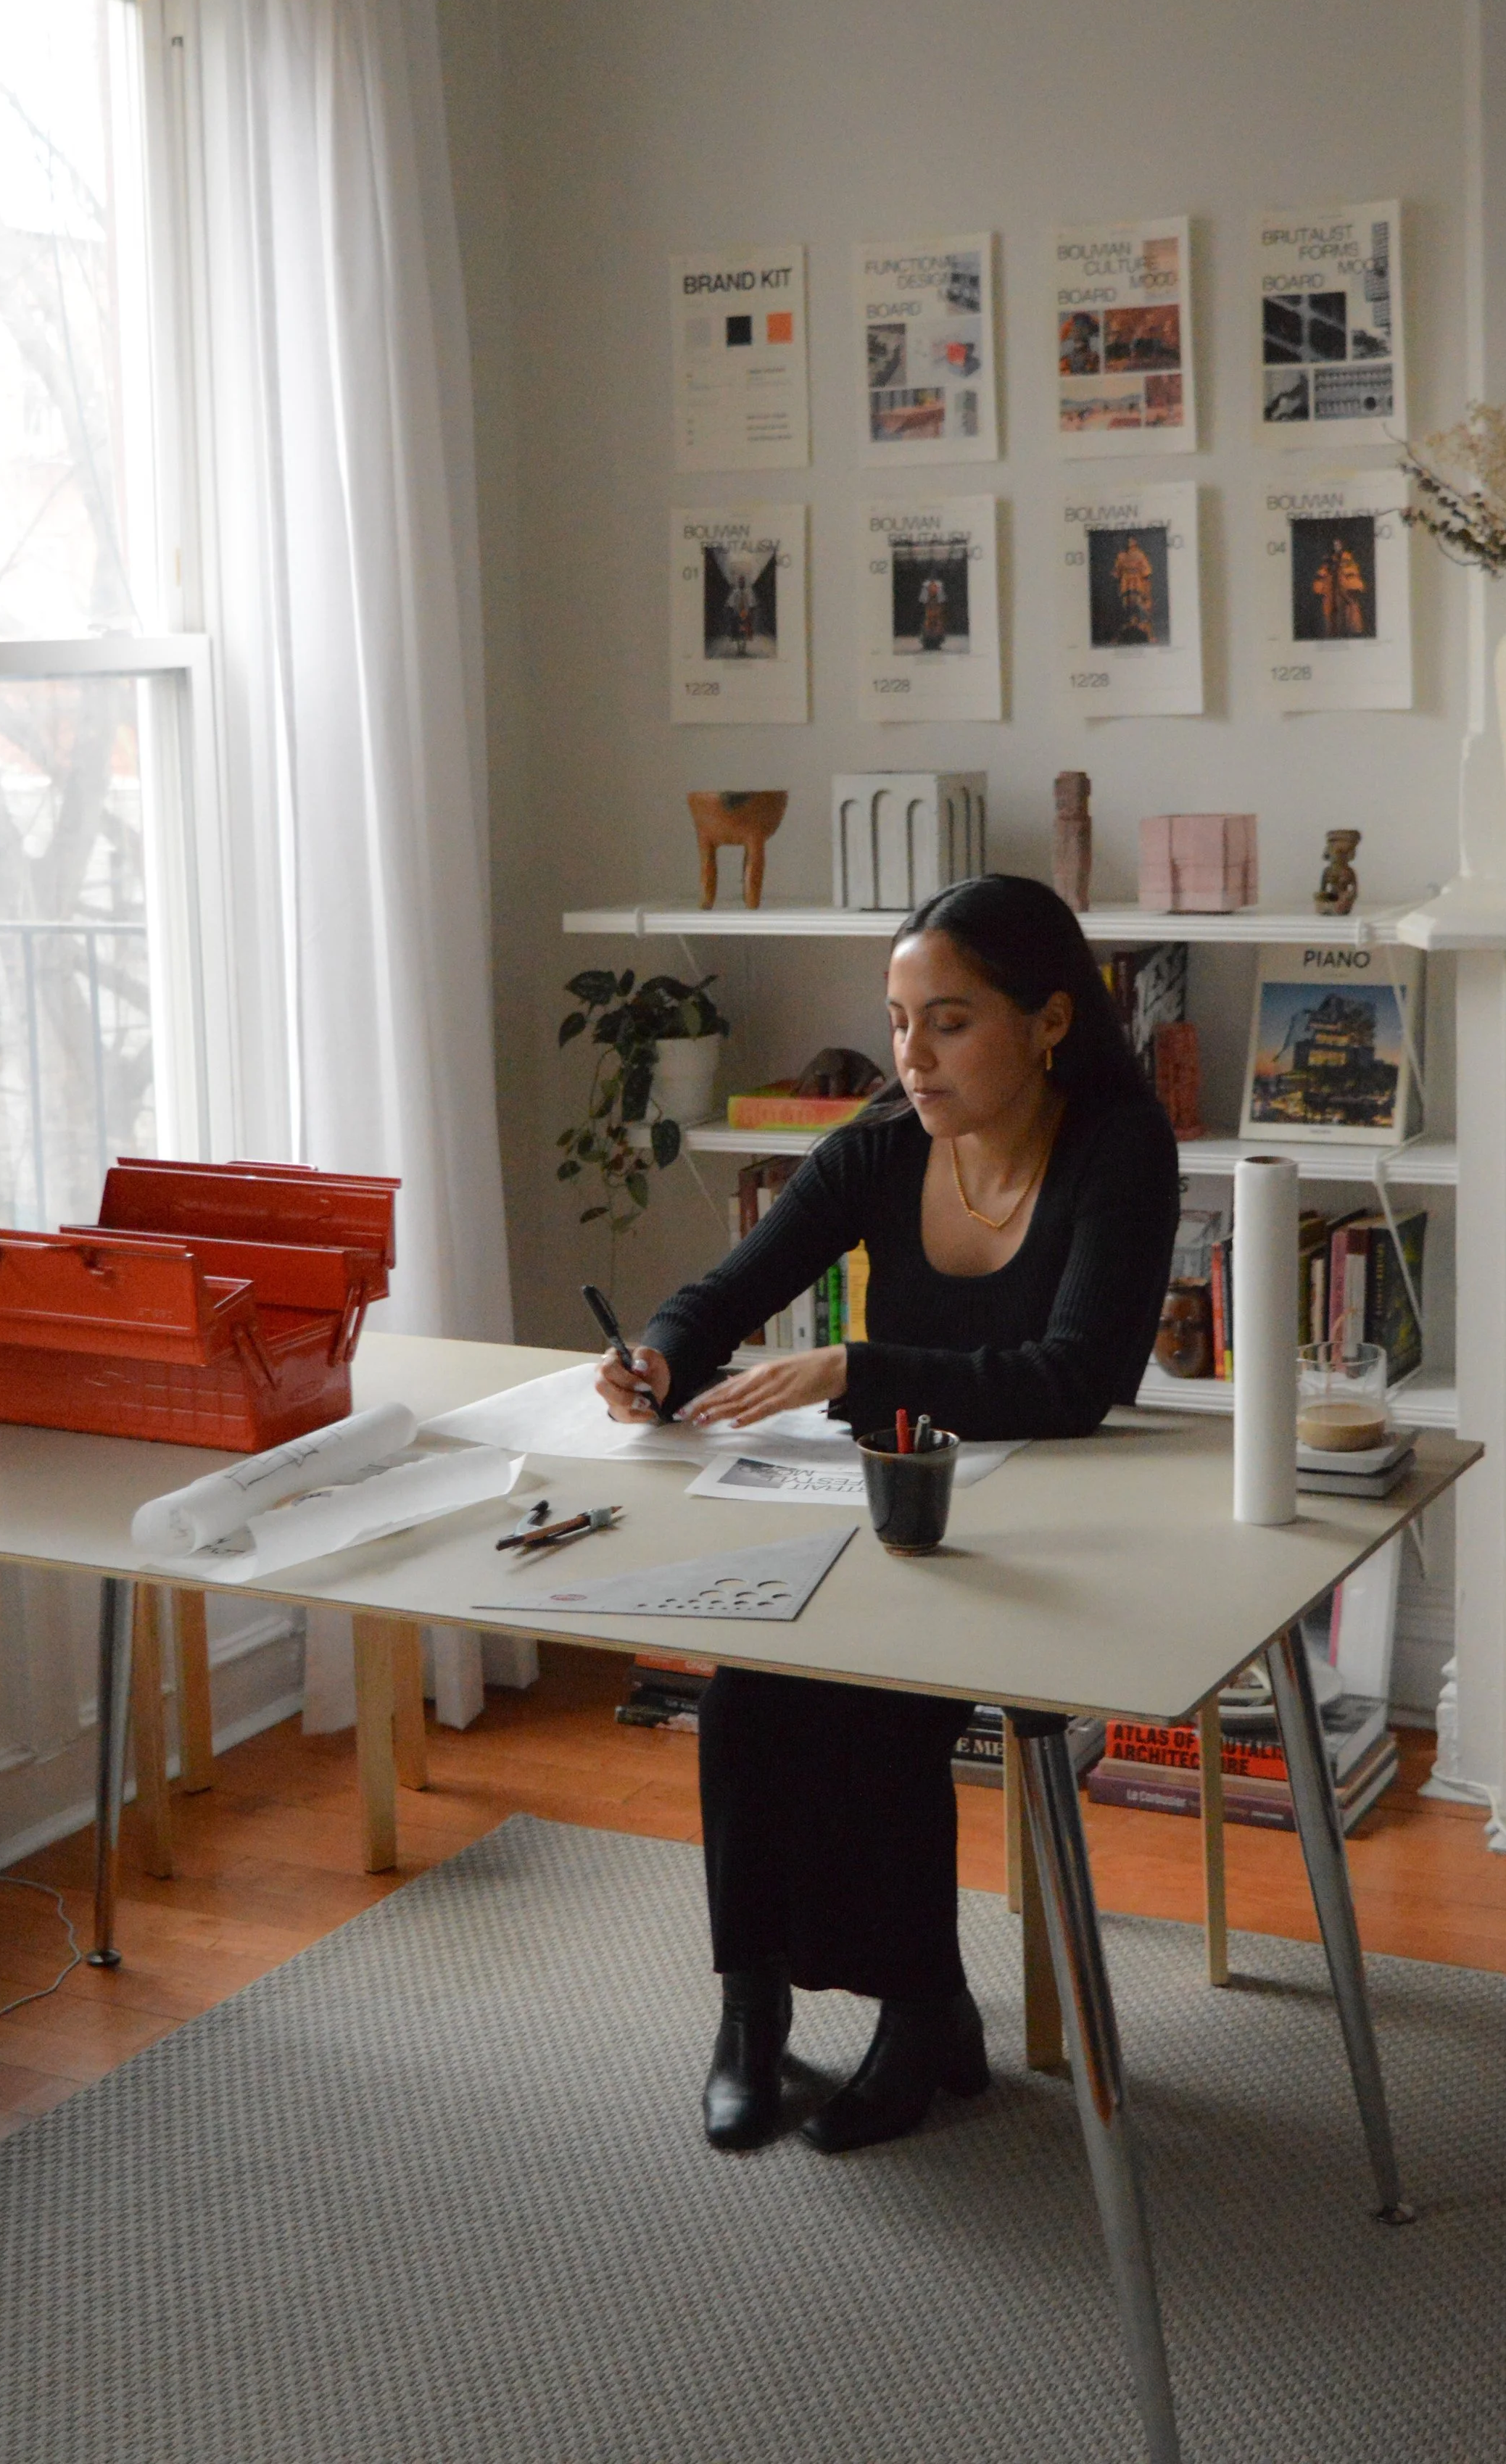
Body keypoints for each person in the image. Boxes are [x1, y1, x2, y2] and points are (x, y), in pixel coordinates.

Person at [595, 874, 1179, 2157]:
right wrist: (659, 1359)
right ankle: (754, 2015)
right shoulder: (877, 1148)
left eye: (951, 1020)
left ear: (1049, 1022)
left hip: (1049, 1543)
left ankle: (924, 2012)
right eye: (900, 1019)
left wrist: (861, 1368)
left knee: (871, 1703)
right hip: (892, 1517)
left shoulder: (1120, 1152)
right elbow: (721, 1291)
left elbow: (1077, 1382)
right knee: (752, 1690)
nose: (912, 1054)